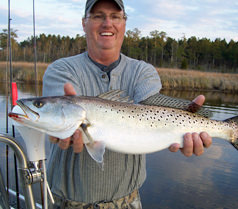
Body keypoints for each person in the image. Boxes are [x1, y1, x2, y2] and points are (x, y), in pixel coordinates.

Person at [42, 0, 212, 208]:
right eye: (97, 16)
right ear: (84, 23)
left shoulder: (143, 71)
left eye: (115, 16)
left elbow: (150, 102)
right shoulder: (60, 69)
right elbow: (58, 115)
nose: (107, 23)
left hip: (128, 202)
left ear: (124, 23)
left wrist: (187, 115)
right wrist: (63, 125)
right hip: (66, 203)